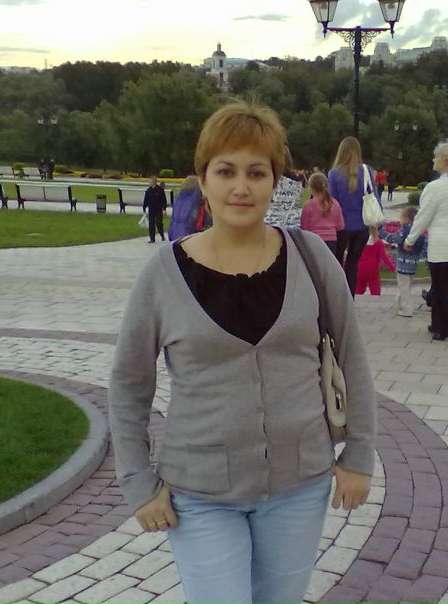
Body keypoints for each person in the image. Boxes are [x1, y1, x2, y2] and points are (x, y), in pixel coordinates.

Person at [108, 101, 376, 604]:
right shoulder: (163, 273)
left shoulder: (311, 258)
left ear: (275, 182)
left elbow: (353, 359)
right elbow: (129, 384)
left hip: (300, 486)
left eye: (257, 172)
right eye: (225, 171)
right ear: (203, 179)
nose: (241, 187)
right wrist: (138, 481)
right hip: (201, 493)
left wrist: (359, 454)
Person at [403, 141, 448, 342]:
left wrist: (410, 239)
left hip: (442, 246)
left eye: (436, 157)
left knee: (441, 289)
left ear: (445, 160)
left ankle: (447, 329)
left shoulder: (434, 188)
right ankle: (437, 324)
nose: (433, 160)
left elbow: (423, 217)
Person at [328, 136, 380, 297]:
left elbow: (332, 202)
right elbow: (374, 195)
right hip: (362, 225)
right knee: (352, 264)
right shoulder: (366, 171)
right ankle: (350, 298)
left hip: (342, 226)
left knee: (337, 263)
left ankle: (337, 297)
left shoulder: (334, 174)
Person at [379, 207, 426, 316]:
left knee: (403, 287)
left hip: (403, 264)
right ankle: (400, 303)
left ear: (407, 218)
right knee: (407, 286)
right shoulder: (419, 231)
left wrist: (381, 230)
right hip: (413, 264)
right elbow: (424, 247)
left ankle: (407, 309)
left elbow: (392, 238)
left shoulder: (405, 231)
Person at [300, 171, 344, 260]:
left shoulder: (308, 205)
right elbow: (340, 226)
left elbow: (304, 227)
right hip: (331, 241)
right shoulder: (335, 203)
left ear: (310, 188)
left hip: (313, 240)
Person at [356, 226, 396, 296]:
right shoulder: (378, 243)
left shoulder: (359, 241)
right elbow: (385, 258)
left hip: (360, 269)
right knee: (375, 292)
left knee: (358, 292)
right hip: (373, 271)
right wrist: (393, 268)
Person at [167, 175, 205, 240]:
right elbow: (196, 221)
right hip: (189, 236)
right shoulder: (195, 201)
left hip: (175, 233)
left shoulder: (178, 200)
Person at [143, 175, 167, 243]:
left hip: (158, 209)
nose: (149, 183)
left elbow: (164, 200)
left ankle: (162, 234)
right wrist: (144, 207)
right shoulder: (148, 191)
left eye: (150, 182)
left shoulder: (160, 190)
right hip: (151, 209)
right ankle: (152, 238)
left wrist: (164, 209)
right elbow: (146, 200)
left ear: (154, 182)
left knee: (159, 223)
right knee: (151, 224)